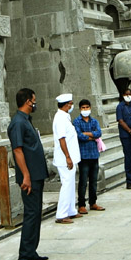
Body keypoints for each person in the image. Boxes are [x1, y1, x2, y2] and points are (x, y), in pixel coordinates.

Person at [8, 88, 48, 260]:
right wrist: (25, 175)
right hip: (29, 177)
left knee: (36, 213)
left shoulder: (26, 121)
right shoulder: (17, 123)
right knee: (31, 214)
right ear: (27, 101)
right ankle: (23, 257)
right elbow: (17, 150)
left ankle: (32, 250)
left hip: (37, 174)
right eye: (33, 100)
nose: (35, 103)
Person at [73, 99, 104, 214]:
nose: (85, 109)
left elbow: (99, 133)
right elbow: (79, 135)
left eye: (87, 107)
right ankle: (81, 204)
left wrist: (87, 134)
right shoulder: (76, 121)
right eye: (83, 108)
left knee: (93, 180)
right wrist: (91, 136)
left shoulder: (94, 121)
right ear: (80, 109)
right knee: (83, 181)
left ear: (90, 108)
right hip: (83, 155)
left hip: (94, 154)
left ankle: (93, 202)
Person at [52, 93, 79, 223]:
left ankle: (71, 210)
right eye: (70, 103)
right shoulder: (60, 118)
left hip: (71, 157)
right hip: (64, 158)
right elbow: (61, 139)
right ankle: (61, 214)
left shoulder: (65, 117)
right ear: (67, 104)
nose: (72, 105)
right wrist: (67, 157)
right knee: (66, 184)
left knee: (71, 183)